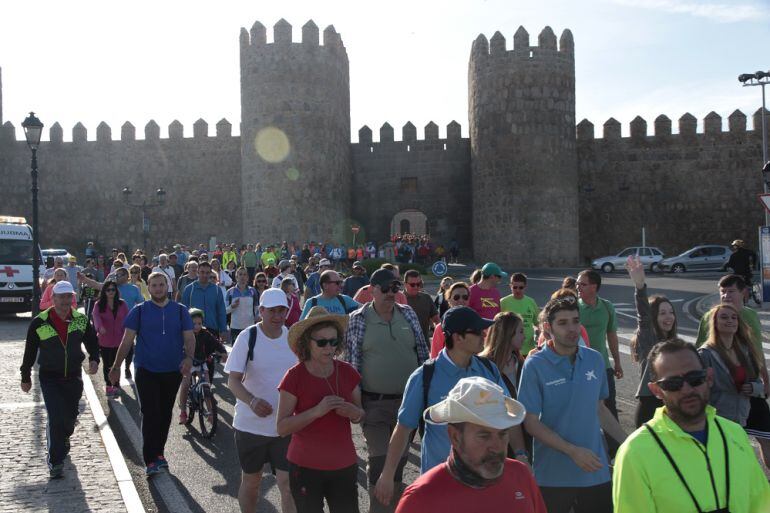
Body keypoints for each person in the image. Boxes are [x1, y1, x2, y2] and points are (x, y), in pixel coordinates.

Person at [373, 306, 527, 507]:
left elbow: (507, 416)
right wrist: (387, 474)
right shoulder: (424, 376)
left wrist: (521, 455)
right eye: (477, 331)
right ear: (458, 337)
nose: (484, 335)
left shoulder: (488, 369)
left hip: (487, 480)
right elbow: (403, 429)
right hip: (441, 483)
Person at [612, 338, 770, 512]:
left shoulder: (734, 433)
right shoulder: (635, 452)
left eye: (695, 378)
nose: (686, 390)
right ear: (656, 391)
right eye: (673, 384)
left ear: (709, 377)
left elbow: (760, 503)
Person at [517, 296, 626, 513]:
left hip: (596, 472)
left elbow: (599, 409)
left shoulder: (594, 359)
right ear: (548, 327)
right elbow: (530, 422)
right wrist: (572, 451)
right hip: (552, 476)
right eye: (563, 323)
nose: (572, 328)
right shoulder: (535, 365)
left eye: (575, 321)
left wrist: (629, 444)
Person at [344, 268, 429, 512]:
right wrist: (357, 404)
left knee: (400, 461)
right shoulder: (358, 319)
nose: (391, 294)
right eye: (385, 289)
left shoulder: (408, 314)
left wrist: (425, 397)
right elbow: (352, 364)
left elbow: (423, 355)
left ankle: (393, 508)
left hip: (408, 403)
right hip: (374, 403)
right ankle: (378, 509)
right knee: (381, 458)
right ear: (372, 291)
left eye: (395, 288)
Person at [395, 377, 545, 513]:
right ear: (455, 437)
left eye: (502, 434)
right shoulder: (421, 497)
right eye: (484, 436)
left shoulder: (520, 475)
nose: (497, 447)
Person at [277, 307, 364, 513]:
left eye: (334, 342)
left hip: (343, 465)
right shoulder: (294, 376)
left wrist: (353, 412)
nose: (329, 348)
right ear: (307, 342)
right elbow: (282, 427)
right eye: (322, 342)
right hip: (305, 467)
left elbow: (361, 414)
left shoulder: (347, 372)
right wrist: (317, 411)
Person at [108, 273, 195, 476]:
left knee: (165, 413)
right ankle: (150, 459)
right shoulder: (139, 311)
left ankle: (159, 454)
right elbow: (127, 340)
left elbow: (189, 338)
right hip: (146, 369)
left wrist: (189, 358)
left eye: (161, 285)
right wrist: (115, 366)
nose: (158, 288)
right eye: (154, 285)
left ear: (168, 286)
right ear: (148, 288)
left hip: (172, 370)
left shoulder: (181, 311)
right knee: (150, 412)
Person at [225, 288, 297, 513]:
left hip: (284, 427)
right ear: (261, 311)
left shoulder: (293, 339)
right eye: (272, 311)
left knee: (288, 485)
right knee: (252, 481)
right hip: (251, 427)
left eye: (282, 311)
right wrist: (252, 401)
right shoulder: (248, 337)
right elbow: (233, 381)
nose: (277, 317)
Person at [19, 280, 100, 479]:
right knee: (56, 418)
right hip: (50, 378)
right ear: (53, 298)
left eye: (68, 296)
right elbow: (29, 351)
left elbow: (92, 342)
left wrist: (95, 359)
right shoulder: (40, 321)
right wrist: (25, 375)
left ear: (72, 298)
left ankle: (64, 438)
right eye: (61, 297)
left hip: (73, 377)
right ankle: (56, 461)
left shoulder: (80, 320)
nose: (65, 300)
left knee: (70, 418)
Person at [699, 302, 770, 467]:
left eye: (734, 318)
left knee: (736, 464)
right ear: (714, 323)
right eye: (724, 317)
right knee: (723, 464)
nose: (730, 321)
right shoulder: (705, 354)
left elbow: (757, 382)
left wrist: (754, 388)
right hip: (717, 418)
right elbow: (698, 390)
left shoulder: (744, 350)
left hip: (740, 418)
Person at [626, 255, 678, 426]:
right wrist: (640, 286)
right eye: (662, 313)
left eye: (671, 312)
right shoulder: (649, 339)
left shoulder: (675, 343)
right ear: (654, 317)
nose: (668, 317)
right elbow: (643, 316)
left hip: (672, 405)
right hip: (650, 406)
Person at [696, 274, 769, 393]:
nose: (726, 296)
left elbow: (758, 351)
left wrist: (766, 382)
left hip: (750, 382)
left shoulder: (751, 315)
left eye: (731, 291)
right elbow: (700, 351)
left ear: (743, 293)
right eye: (722, 291)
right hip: (722, 384)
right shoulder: (709, 317)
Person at [576, 269, 622, 419]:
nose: (578, 287)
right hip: (579, 367)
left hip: (603, 366)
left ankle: (614, 443)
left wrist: (617, 363)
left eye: (582, 284)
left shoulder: (607, 307)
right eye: (577, 284)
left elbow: (612, 336)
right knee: (583, 408)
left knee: (610, 407)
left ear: (594, 287)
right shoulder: (574, 309)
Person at [177, 308, 228, 424]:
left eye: (199, 323)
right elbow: (176, 346)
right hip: (188, 362)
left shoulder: (205, 333)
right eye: (193, 323)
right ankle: (183, 411)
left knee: (206, 385)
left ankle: (210, 412)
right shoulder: (184, 334)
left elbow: (216, 343)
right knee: (185, 384)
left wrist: (223, 351)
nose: (196, 326)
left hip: (201, 362)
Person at [91, 280, 129, 397]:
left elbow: (128, 319)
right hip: (105, 340)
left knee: (117, 364)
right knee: (107, 364)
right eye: (108, 290)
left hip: (120, 340)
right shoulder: (99, 304)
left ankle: (116, 385)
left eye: (113, 289)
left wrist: (129, 333)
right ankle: (108, 385)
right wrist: (99, 327)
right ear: (104, 292)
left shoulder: (122, 304)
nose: (111, 292)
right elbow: (96, 317)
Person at [180, 261, 227, 338]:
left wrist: (223, 329)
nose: (205, 275)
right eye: (202, 272)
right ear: (197, 272)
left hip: (212, 330)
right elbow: (184, 312)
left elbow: (221, 311)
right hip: (194, 330)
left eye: (207, 273)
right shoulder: (189, 289)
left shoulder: (217, 290)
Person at [500, 272, 540, 356]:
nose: (517, 290)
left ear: (525, 287)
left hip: (529, 349)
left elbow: (538, 322)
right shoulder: (503, 302)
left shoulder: (531, 302)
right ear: (510, 286)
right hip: (510, 349)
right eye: (515, 287)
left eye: (521, 287)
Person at [429, 281, 470, 358]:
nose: (461, 300)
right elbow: (435, 358)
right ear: (449, 300)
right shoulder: (440, 328)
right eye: (456, 297)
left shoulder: (477, 325)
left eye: (465, 297)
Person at [403, 269, 440, 341]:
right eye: (412, 285)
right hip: (405, 346)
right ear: (405, 284)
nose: (416, 287)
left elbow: (437, 320)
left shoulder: (426, 298)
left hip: (424, 345)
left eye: (419, 284)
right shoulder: (398, 299)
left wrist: (438, 338)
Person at [227, 267, 258, 342]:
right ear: (236, 277)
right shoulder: (230, 292)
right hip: (235, 328)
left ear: (247, 277)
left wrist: (257, 317)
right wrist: (232, 307)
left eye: (244, 274)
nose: (242, 276)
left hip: (250, 327)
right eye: (240, 274)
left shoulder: (253, 291)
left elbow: (257, 308)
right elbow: (225, 310)